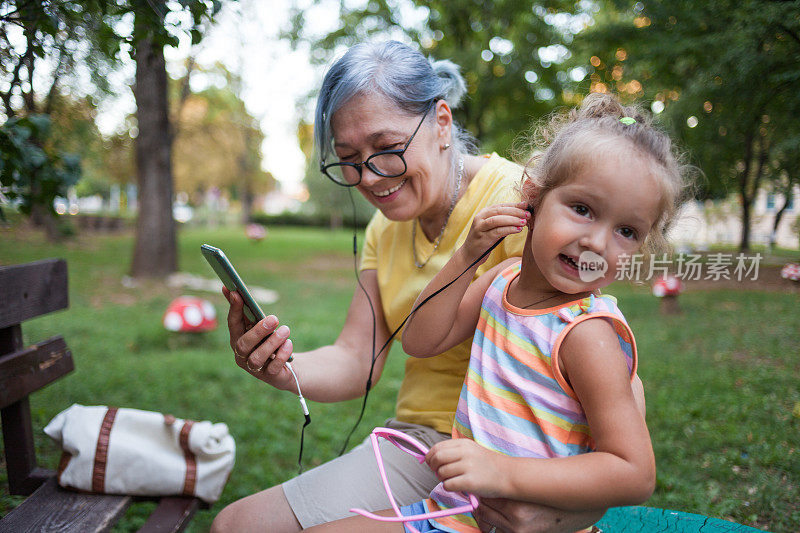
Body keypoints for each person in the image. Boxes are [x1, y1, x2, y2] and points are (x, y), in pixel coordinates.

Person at [211, 41, 636, 533]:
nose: (369, 177)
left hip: (503, 454)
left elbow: (603, 358)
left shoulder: (523, 206)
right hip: (418, 447)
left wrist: (566, 508)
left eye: (386, 149)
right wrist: (284, 369)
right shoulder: (384, 228)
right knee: (236, 526)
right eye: (349, 159)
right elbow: (357, 359)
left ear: (440, 122)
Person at [304, 92, 688, 533]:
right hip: (456, 509)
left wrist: (502, 472)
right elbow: (421, 341)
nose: (597, 243)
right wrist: (466, 254)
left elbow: (634, 472)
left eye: (626, 231)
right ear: (533, 195)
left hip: (521, 520)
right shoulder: (502, 279)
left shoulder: (586, 333)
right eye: (582, 209)